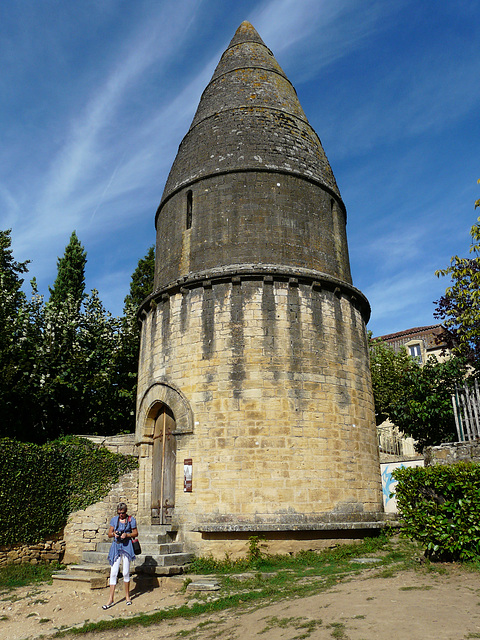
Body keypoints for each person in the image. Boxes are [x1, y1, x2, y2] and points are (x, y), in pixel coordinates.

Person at [102, 502, 138, 609]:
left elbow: (136, 533)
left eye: (122, 513)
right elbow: (109, 534)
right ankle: (111, 599)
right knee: (113, 573)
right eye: (119, 513)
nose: (120, 515)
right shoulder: (114, 520)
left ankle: (127, 596)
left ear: (125, 512)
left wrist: (127, 535)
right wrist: (114, 534)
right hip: (116, 547)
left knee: (126, 572)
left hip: (127, 547)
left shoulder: (131, 520)